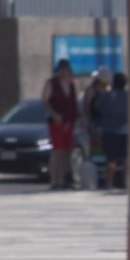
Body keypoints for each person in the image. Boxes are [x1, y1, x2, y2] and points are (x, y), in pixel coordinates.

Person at [42, 59, 78, 189]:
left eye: (66, 69)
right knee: (57, 150)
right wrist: (53, 114)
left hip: (69, 121)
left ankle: (64, 179)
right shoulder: (51, 83)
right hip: (56, 122)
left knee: (67, 150)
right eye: (61, 69)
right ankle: (55, 180)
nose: (63, 71)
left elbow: (73, 102)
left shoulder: (71, 84)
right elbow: (45, 101)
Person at [97, 73, 130, 190]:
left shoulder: (106, 96)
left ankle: (109, 183)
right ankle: (127, 182)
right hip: (126, 130)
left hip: (109, 130)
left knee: (111, 159)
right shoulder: (128, 96)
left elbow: (97, 107)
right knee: (126, 158)